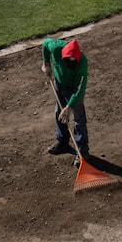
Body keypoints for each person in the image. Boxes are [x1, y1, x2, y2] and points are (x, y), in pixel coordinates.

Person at [41, 38, 89, 166]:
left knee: (78, 119)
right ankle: (62, 141)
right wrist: (46, 63)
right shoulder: (56, 47)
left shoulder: (82, 64)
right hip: (59, 83)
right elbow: (45, 44)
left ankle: (82, 153)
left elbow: (79, 90)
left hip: (74, 89)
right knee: (59, 112)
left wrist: (68, 108)